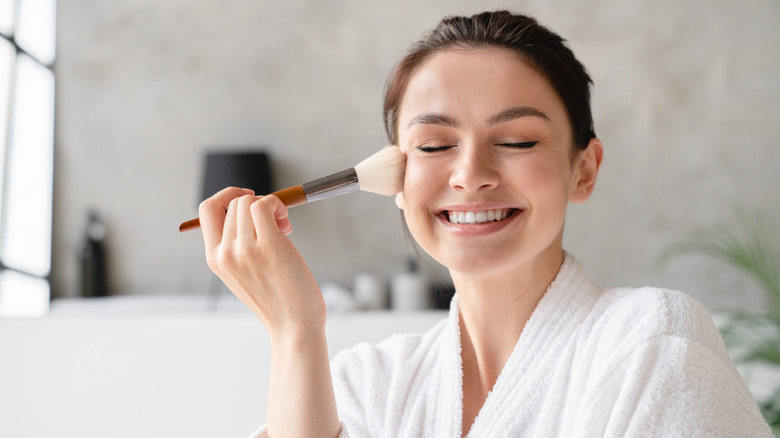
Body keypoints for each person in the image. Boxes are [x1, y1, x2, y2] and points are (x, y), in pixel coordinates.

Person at [198, 10, 771, 438]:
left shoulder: (649, 344)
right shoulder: (366, 386)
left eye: (518, 140)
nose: (471, 175)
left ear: (584, 169)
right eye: (434, 145)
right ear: (396, 177)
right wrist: (295, 331)